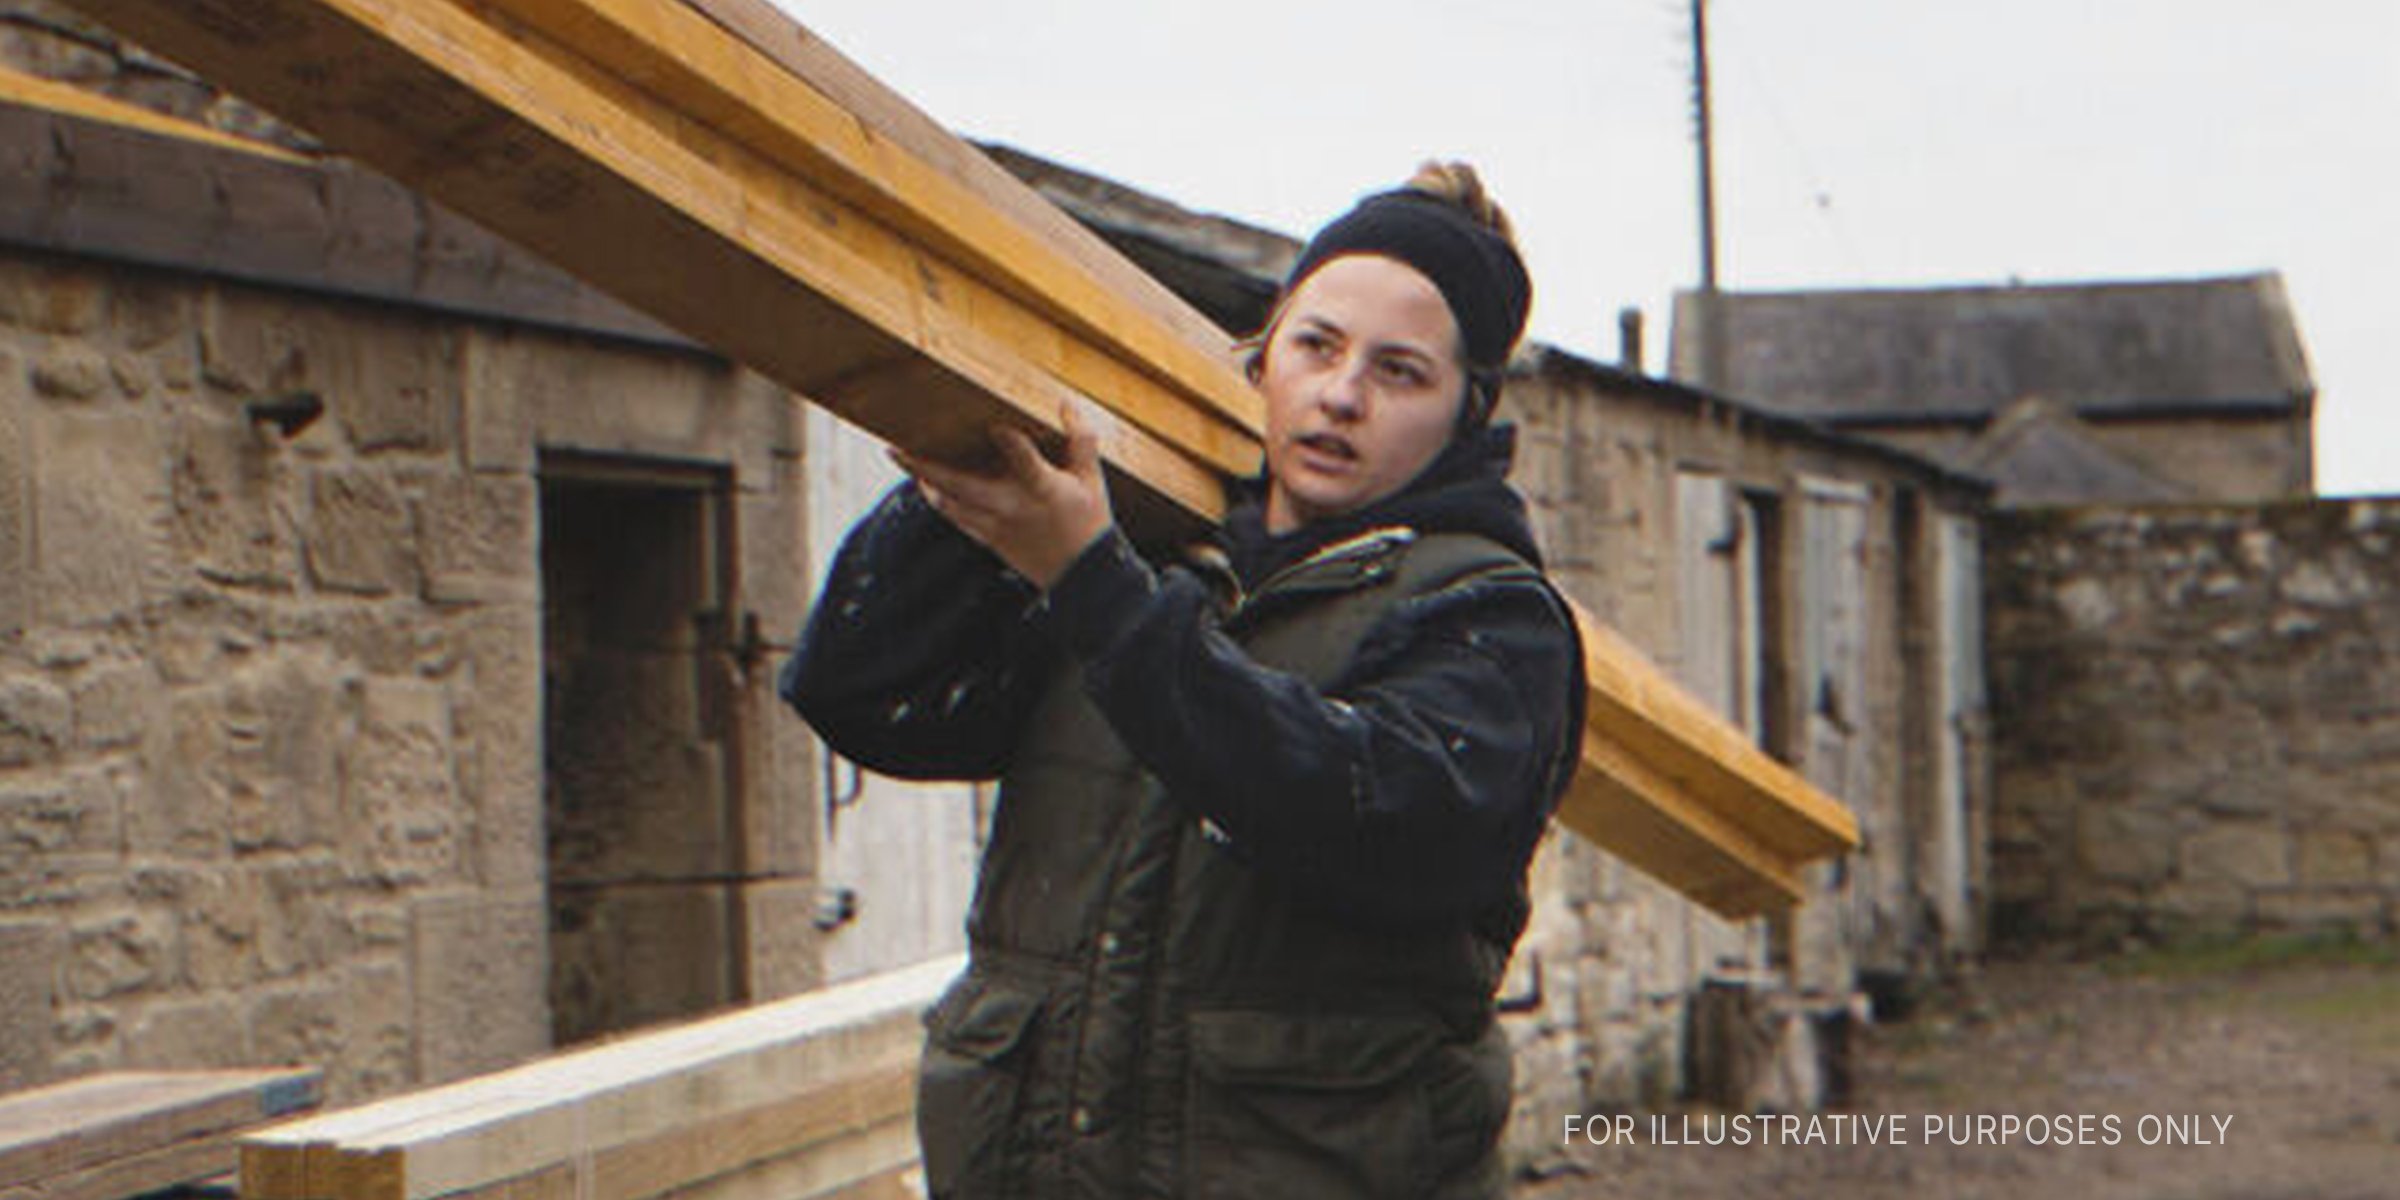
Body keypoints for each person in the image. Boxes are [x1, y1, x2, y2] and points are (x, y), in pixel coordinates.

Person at [781, 163, 1586, 1200]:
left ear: (1466, 412)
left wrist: (1090, 582)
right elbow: (862, 693)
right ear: (1264, 358)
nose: (1342, 394)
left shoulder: (1489, 616)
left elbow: (1372, 818)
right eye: (1318, 345)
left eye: (1400, 372)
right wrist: (971, 478)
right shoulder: (1156, 563)